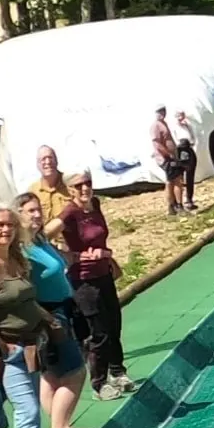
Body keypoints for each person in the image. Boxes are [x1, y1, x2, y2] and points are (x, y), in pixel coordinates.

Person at [15, 193, 92, 428]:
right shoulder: (22, 251)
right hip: (48, 315)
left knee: (50, 376)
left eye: (38, 210)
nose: (36, 215)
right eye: (30, 211)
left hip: (62, 309)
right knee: (75, 372)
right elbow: (23, 289)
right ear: (19, 215)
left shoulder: (39, 240)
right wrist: (45, 318)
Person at [0, 207, 56, 428]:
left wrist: (49, 320)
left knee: (30, 410)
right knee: (28, 411)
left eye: (8, 225)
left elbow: (27, 299)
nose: (4, 230)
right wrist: (3, 348)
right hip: (9, 351)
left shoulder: (17, 259)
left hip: (32, 346)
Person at [58, 172, 132, 401]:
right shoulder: (69, 212)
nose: (84, 188)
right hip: (84, 281)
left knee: (114, 324)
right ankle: (99, 384)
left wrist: (106, 254)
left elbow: (101, 241)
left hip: (104, 274)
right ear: (69, 189)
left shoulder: (96, 203)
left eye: (87, 183)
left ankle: (118, 371)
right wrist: (75, 256)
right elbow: (42, 234)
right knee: (98, 332)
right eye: (78, 185)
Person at [28, 146, 73, 240]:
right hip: (45, 244)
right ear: (38, 164)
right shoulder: (33, 191)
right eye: (43, 159)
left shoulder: (70, 184)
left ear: (57, 161)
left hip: (71, 244)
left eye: (50, 158)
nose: (48, 162)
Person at [152, 105, 184, 215]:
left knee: (172, 181)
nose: (162, 113)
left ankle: (174, 205)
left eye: (163, 111)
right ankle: (177, 205)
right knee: (176, 180)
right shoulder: (155, 126)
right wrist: (168, 154)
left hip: (170, 156)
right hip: (166, 158)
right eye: (160, 111)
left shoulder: (163, 123)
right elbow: (157, 144)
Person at [173, 111, 199, 212]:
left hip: (188, 149)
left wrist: (191, 144)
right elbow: (174, 140)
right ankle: (178, 202)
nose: (180, 118)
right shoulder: (174, 127)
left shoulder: (188, 125)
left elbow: (193, 138)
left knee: (190, 176)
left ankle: (189, 199)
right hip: (179, 151)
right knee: (179, 178)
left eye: (182, 115)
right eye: (178, 115)